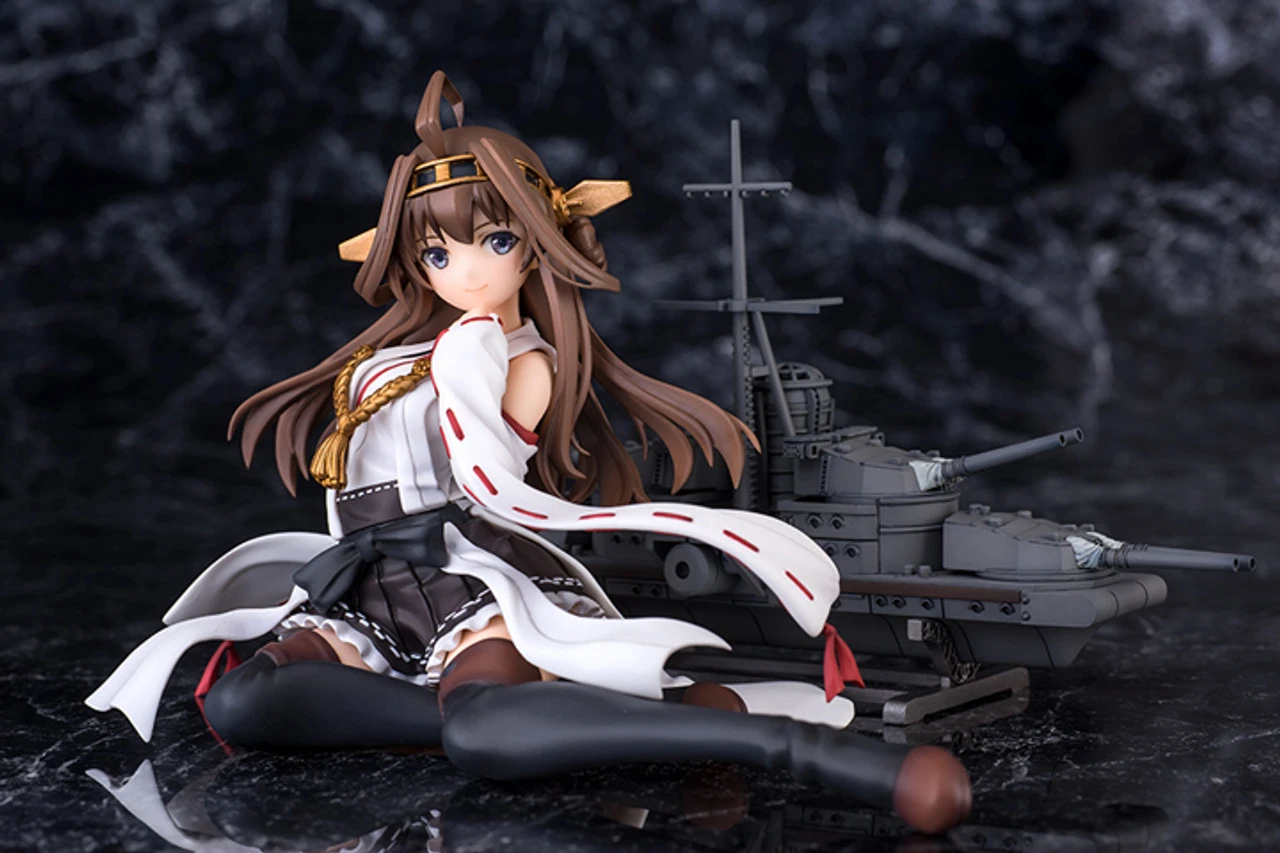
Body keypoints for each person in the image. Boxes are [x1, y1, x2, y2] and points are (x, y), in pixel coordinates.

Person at [88, 71, 971, 834]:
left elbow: (489, 481)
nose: (469, 271)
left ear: (538, 243)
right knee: (246, 699)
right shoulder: (406, 352)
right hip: (367, 583)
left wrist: (691, 524)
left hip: (470, 576)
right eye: (439, 251)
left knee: (484, 731)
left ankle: (777, 742)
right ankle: (514, 717)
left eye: (497, 242)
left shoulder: (517, 358)